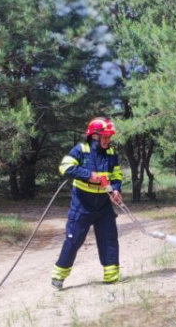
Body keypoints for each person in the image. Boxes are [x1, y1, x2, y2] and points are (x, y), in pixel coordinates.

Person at [51, 117, 125, 290]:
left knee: (109, 240)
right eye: (104, 136)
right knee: (73, 240)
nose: (108, 140)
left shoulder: (112, 154)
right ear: (94, 136)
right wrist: (89, 175)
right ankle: (58, 276)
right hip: (82, 205)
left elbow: (116, 174)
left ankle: (112, 276)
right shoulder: (81, 150)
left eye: (109, 137)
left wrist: (115, 189)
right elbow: (65, 167)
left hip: (104, 207)